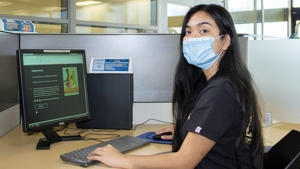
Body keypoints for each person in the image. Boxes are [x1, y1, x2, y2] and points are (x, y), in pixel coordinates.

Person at [87, 4, 264, 169]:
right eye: (188, 32)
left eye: (203, 30)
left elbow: (183, 162)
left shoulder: (220, 91)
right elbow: (222, 128)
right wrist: (189, 130)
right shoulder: (228, 82)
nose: (192, 37)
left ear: (225, 40)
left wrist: (122, 160)